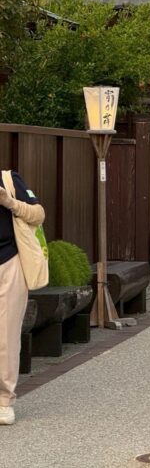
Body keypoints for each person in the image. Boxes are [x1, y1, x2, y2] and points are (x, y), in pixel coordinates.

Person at [0, 171, 44, 426]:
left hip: (8, 263)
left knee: (6, 335)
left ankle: (4, 400)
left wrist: (9, 202)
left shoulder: (9, 180)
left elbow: (38, 214)